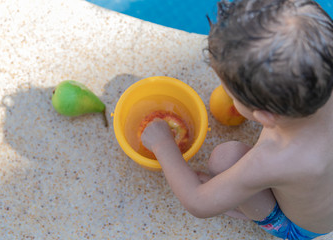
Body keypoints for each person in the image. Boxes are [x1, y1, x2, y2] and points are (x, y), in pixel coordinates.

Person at [140, 0, 333, 239]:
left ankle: (256, 215)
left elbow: (198, 202)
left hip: (300, 229)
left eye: (231, 94)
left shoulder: (272, 157)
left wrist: (162, 145)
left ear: (265, 116)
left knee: (225, 159)